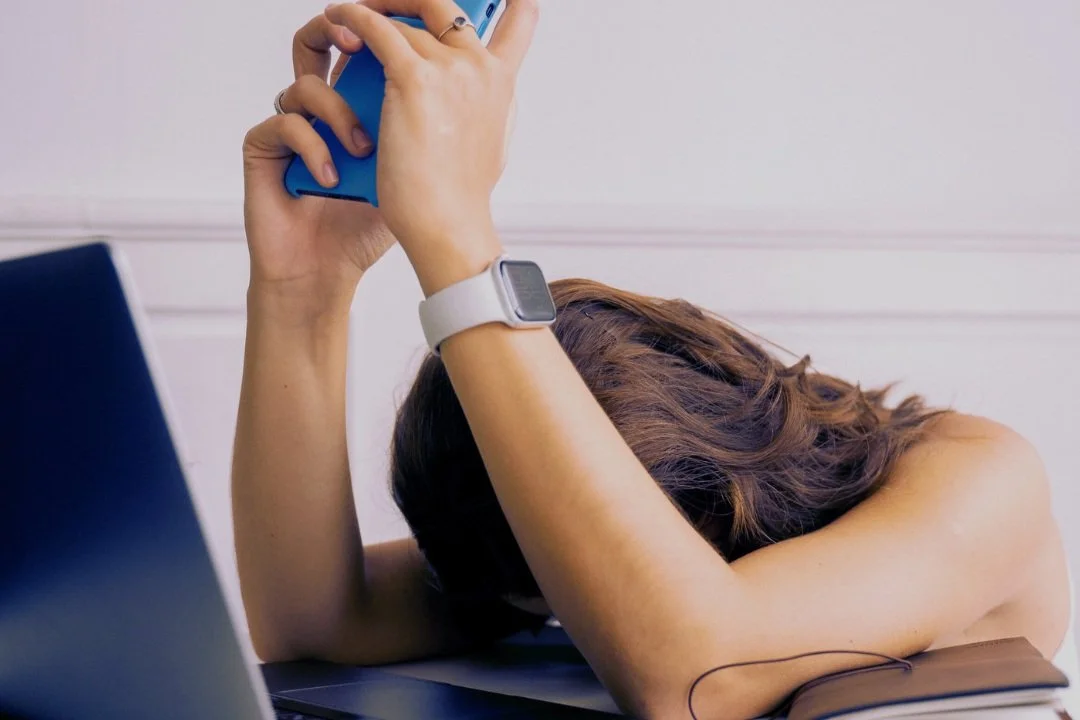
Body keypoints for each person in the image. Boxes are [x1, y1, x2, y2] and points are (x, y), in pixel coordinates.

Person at [231, 1, 1079, 717]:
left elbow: (697, 678)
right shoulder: (544, 551)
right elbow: (320, 624)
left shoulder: (981, 477)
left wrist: (455, 237)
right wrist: (304, 291)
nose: (563, 609)